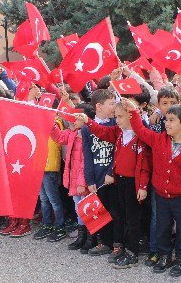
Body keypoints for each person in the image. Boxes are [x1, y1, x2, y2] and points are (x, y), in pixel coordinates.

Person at [125, 97, 181, 277]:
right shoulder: (159, 139)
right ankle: (164, 255)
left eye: (171, 120)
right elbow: (141, 130)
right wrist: (134, 112)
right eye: (166, 119)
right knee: (162, 227)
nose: (166, 123)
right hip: (161, 195)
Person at [79, 100, 151, 269]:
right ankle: (124, 248)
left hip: (134, 182)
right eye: (116, 116)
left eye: (120, 116)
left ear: (131, 116)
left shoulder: (140, 136)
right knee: (124, 216)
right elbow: (103, 131)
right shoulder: (120, 132)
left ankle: (132, 252)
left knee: (132, 219)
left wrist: (143, 187)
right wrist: (88, 121)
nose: (116, 120)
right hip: (121, 180)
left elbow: (146, 165)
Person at [50, 104, 92, 250]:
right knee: (78, 207)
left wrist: (82, 182)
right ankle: (82, 236)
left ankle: (90, 237)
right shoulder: (73, 133)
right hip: (74, 178)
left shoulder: (87, 135)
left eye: (77, 118)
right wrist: (50, 124)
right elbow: (59, 137)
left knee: (87, 208)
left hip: (83, 180)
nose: (73, 121)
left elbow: (85, 162)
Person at [81, 88, 118, 256]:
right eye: (111, 104)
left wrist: (111, 171)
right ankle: (104, 242)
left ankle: (117, 242)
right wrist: (89, 180)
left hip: (112, 176)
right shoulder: (86, 129)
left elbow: (118, 152)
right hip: (97, 175)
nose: (114, 107)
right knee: (101, 211)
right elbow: (87, 155)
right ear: (99, 106)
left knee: (115, 210)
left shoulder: (115, 125)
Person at [33, 116, 67, 243]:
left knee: (54, 200)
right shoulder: (41, 125)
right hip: (40, 167)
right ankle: (47, 224)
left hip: (49, 167)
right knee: (43, 199)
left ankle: (60, 226)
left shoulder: (55, 124)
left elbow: (55, 144)